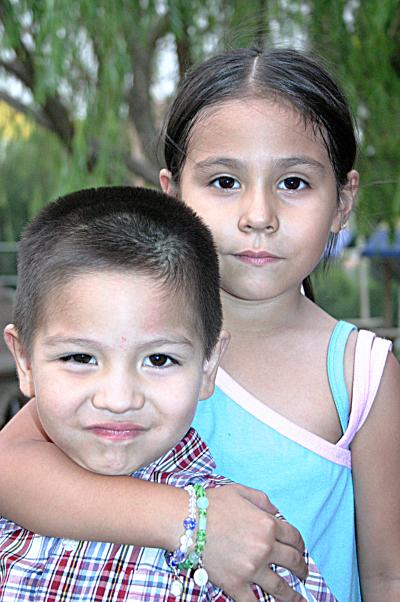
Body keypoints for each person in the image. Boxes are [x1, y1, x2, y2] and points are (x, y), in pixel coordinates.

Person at [0, 47, 399, 600]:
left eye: (294, 183)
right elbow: (8, 470)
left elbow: (387, 573)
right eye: (224, 182)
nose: (258, 215)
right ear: (172, 195)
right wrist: (193, 521)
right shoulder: (124, 338)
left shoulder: (363, 375)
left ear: (342, 201)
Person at [0, 185, 335, 601]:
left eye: (158, 361)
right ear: (25, 362)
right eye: (80, 358)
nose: (118, 399)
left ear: (209, 365)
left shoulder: (244, 542)